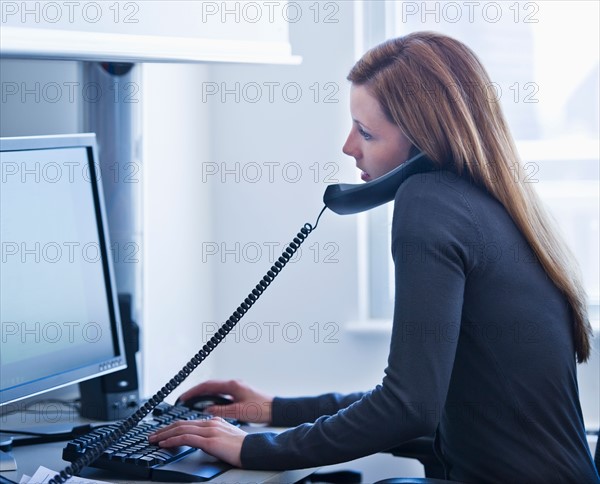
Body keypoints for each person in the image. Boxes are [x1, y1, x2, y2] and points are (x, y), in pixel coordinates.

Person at [149, 32, 599, 483]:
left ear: (424, 143)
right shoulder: (488, 205)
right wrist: (272, 410)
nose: (349, 146)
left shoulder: (428, 201)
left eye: (366, 132)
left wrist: (254, 448)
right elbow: (421, 396)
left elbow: (407, 409)